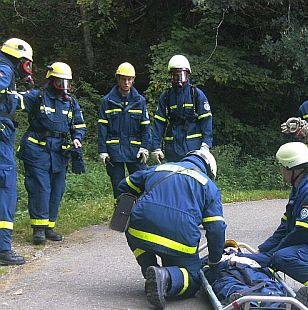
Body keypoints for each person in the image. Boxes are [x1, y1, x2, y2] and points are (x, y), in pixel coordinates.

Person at [241, 142, 308, 306]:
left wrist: (273, 254)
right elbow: (285, 228)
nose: (282, 172)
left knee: (283, 257)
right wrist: (263, 249)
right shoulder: (300, 188)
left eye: (284, 168)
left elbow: (305, 232)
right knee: (277, 254)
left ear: (294, 170)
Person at [116, 148, 226, 309]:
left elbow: (124, 185)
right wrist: (214, 260)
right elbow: (216, 228)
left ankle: (150, 272)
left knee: (136, 239)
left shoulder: (159, 168)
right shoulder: (208, 185)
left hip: (138, 230)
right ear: (209, 169)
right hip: (179, 240)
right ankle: (164, 276)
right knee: (193, 277)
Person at [17, 62, 87, 245]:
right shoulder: (37, 97)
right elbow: (14, 102)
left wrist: (78, 138)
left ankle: (49, 227)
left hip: (59, 152)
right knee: (40, 188)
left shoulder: (71, 102)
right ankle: (38, 230)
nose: (64, 87)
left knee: (57, 190)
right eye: (60, 82)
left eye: (66, 83)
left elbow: (79, 125)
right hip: (37, 150)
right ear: (51, 80)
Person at [0, 38, 33, 265]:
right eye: (27, 64)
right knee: (6, 189)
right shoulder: (4, 69)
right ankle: (3, 249)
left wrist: (23, 97)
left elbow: (8, 101)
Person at [97, 62, 150, 199]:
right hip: (114, 151)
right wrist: (102, 150)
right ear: (118, 79)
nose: (126, 82)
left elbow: (146, 128)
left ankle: (140, 213)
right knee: (118, 186)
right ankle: (121, 216)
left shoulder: (140, 101)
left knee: (142, 182)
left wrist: (145, 147)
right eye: (123, 79)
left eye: (129, 79)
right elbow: (102, 128)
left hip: (135, 151)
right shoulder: (107, 101)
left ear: (133, 80)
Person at [150, 54, 213, 163]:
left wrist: (206, 145)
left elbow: (206, 120)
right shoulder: (166, 96)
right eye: (175, 76)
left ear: (188, 75)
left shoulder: (196, 94)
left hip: (193, 149)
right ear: (171, 76)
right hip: (172, 149)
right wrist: (156, 148)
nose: (179, 80)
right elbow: (159, 123)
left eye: (182, 75)